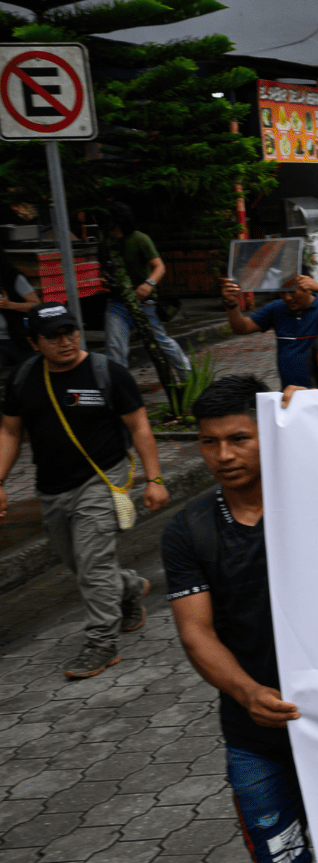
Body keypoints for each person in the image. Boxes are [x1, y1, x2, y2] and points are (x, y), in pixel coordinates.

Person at [163, 374, 318, 863]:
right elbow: (196, 634)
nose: (224, 454)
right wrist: (245, 693)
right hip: (258, 734)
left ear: (266, 431)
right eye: (210, 444)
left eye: (240, 437)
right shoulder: (191, 531)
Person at [0, 303, 168, 679]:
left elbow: (140, 427)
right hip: (52, 489)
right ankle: (128, 589)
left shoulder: (106, 372)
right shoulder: (23, 378)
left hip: (101, 481)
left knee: (93, 567)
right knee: (82, 565)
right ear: (33, 342)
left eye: (70, 331)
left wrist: (155, 480)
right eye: (54, 336)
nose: (66, 341)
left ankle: (101, 644)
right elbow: (9, 432)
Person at [221, 274, 318, 392]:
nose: (287, 297)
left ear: (307, 286)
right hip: (290, 392)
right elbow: (242, 328)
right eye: (282, 292)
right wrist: (231, 303)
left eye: (292, 291)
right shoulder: (276, 309)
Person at [100, 203, 191, 373]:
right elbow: (105, 269)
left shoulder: (140, 239)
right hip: (118, 302)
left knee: (161, 342)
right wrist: (105, 279)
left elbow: (159, 267)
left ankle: (187, 373)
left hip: (143, 302)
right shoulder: (106, 243)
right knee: (114, 348)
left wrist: (148, 284)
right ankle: (122, 389)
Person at [0, 261, 40, 373]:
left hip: (17, 338)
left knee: (30, 370)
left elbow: (35, 305)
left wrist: (10, 305)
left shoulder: (14, 278)